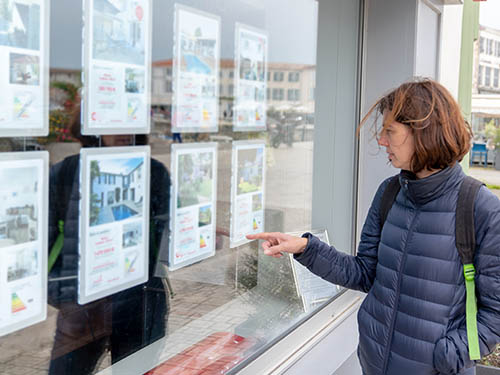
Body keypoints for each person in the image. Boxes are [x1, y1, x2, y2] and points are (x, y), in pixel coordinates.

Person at [248, 79, 500, 375]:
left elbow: (495, 314)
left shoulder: (480, 208)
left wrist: (447, 357)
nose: (381, 140)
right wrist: (305, 248)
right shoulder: (390, 193)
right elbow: (365, 273)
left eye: (389, 131)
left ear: (422, 132)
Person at [48, 109, 171, 374]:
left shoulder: (153, 172)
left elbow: (165, 242)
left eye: (131, 121)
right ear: (90, 125)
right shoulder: (67, 172)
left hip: (140, 303)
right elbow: (45, 239)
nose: (124, 131)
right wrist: (63, 293)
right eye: (112, 120)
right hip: (80, 308)